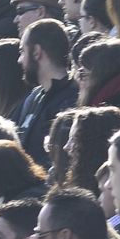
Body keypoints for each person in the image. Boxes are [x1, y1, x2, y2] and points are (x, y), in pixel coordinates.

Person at [16, 19, 80, 164]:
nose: (19, 60)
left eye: (22, 51)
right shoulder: (33, 97)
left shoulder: (72, 100)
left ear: (36, 52)